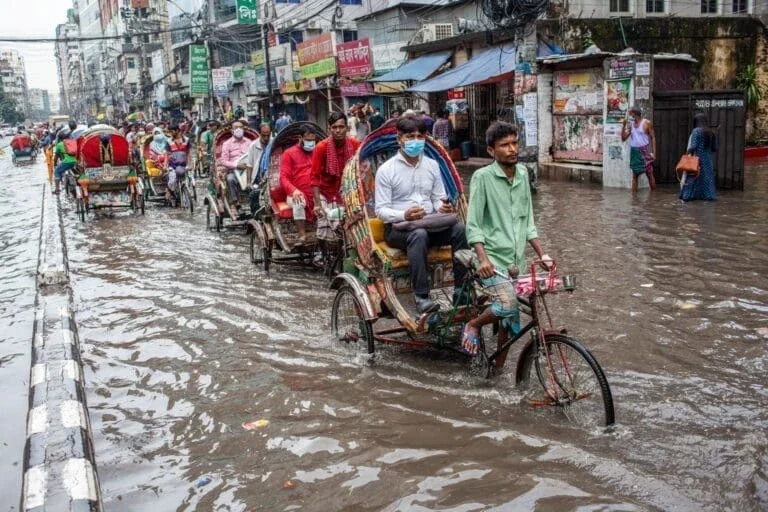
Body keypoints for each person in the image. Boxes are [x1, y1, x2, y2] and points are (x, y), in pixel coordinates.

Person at [462, 122, 552, 355]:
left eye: (515, 143)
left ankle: (499, 370)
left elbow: (528, 221)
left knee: (511, 319)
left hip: (515, 262)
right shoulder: (482, 177)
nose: (512, 149)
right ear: (491, 151)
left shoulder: (523, 173)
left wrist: (543, 254)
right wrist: (483, 259)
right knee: (507, 304)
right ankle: (473, 324)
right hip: (491, 260)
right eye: (505, 145)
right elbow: (473, 226)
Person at [374, 116, 468, 314]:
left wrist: (442, 207)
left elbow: (437, 199)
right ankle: (422, 297)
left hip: (429, 223)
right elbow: (381, 211)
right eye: (410, 136)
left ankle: (462, 289)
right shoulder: (386, 170)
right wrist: (405, 214)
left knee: (460, 230)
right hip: (398, 229)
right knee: (419, 235)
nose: (416, 140)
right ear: (400, 139)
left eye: (420, 136)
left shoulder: (432, 165)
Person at [311, 112, 361, 240]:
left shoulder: (355, 144)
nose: (338, 131)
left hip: (348, 191)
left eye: (341, 127)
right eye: (334, 127)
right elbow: (315, 177)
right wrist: (317, 204)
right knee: (324, 223)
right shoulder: (321, 147)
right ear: (329, 129)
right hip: (326, 193)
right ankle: (322, 253)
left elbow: (362, 171)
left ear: (347, 128)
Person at [280, 125, 317, 244]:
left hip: (315, 192)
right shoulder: (289, 153)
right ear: (300, 138)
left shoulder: (317, 151)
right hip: (295, 194)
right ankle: (302, 235)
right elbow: (283, 178)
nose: (311, 143)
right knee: (299, 201)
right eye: (308, 140)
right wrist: (293, 190)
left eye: (313, 140)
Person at [218, 120, 252, 218]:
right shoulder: (227, 144)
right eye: (236, 128)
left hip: (249, 169)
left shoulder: (249, 142)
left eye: (241, 127)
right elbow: (223, 161)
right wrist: (236, 165)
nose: (238, 130)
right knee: (230, 179)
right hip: (233, 170)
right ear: (232, 130)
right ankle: (236, 203)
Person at [680, 113, 718, 202]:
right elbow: (714, 148)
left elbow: (692, 146)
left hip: (696, 160)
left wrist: (688, 154)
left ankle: (688, 196)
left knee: (693, 178)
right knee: (707, 179)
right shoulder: (711, 132)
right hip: (708, 161)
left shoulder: (696, 131)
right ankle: (708, 197)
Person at [621, 106, 656, 193]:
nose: (629, 115)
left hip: (644, 151)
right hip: (634, 152)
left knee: (649, 174)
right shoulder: (631, 125)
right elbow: (623, 138)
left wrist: (654, 153)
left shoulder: (647, 123)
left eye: (631, 113)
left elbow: (653, 138)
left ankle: (654, 196)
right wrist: (623, 126)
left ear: (634, 113)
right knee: (635, 175)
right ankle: (634, 199)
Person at [167, 124, 191, 200]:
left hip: (184, 164)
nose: (170, 133)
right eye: (169, 132)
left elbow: (188, 153)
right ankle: (171, 192)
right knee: (172, 181)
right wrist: (165, 165)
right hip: (173, 165)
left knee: (189, 179)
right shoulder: (169, 141)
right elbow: (167, 154)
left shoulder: (186, 140)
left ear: (177, 131)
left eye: (172, 131)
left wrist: (191, 164)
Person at [52, 130, 77, 194]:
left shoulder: (59, 145)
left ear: (59, 138)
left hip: (67, 162)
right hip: (75, 161)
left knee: (57, 171)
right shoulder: (73, 142)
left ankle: (57, 189)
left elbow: (56, 157)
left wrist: (54, 165)